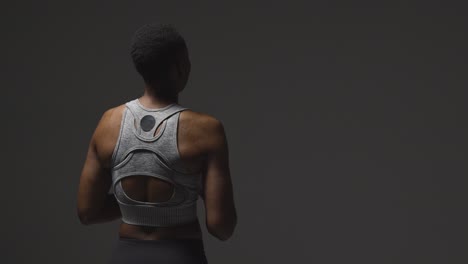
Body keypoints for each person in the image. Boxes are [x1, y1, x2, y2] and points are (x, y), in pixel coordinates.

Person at [76, 23, 237, 264]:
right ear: (181, 66)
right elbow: (221, 227)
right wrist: (193, 192)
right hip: (180, 255)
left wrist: (137, 204)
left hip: (126, 256)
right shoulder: (206, 130)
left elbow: (88, 211)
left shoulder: (108, 122)